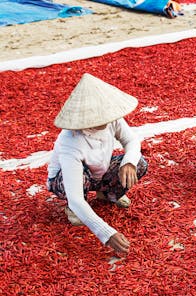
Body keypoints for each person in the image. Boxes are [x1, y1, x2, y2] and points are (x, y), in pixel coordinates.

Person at [47, 73, 148, 253]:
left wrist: (129, 162)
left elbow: (132, 141)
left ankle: (106, 193)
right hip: (65, 181)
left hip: (98, 171)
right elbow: (76, 198)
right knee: (81, 182)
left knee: (139, 163)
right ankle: (72, 210)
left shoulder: (112, 119)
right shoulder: (70, 141)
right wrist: (106, 233)